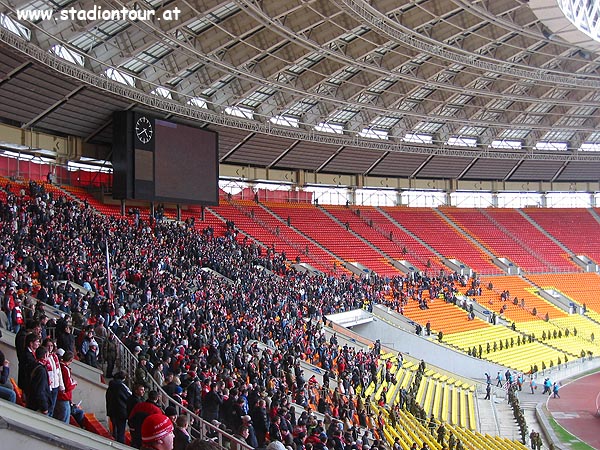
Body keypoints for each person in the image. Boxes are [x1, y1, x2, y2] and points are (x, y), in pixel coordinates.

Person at [106, 371, 132, 444]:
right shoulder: (122, 386)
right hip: (121, 412)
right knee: (121, 431)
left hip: (111, 411)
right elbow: (129, 396)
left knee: (115, 430)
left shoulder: (110, 386)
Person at [26, 346, 52, 414]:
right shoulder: (41, 371)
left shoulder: (32, 365)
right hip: (38, 407)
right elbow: (40, 391)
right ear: (44, 356)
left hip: (30, 401)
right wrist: (44, 407)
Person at [55, 350, 77, 423]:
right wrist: (74, 383)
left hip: (59, 396)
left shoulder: (59, 366)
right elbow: (68, 386)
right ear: (70, 360)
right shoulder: (65, 369)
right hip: (64, 398)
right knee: (64, 421)